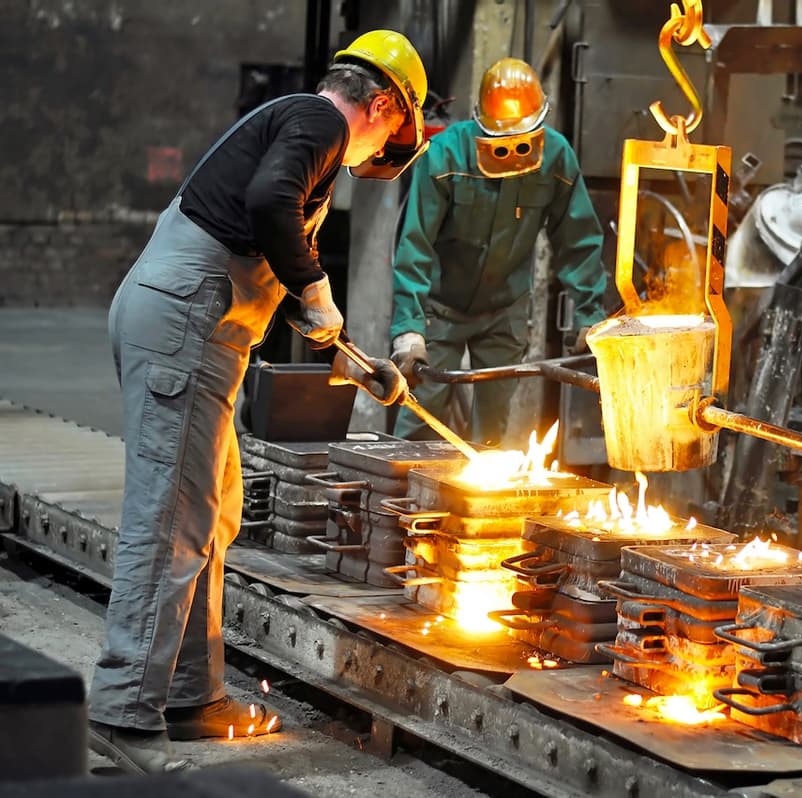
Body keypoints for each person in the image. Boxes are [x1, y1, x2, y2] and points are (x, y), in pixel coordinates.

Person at [89, 30, 428, 774]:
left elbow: (263, 228)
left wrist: (338, 340)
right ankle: (122, 713)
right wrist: (314, 289)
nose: (379, 155)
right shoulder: (321, 121)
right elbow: (270, 201)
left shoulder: (298, 125)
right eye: (392, 135)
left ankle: (191, 696)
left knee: (212, 514)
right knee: (171, 522)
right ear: (380, 105)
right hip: (185, 323)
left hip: (194, 326)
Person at [389, 57, 608, 446]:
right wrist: (409, 327)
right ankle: (398, 500)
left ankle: (476, 506)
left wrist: (590, 315)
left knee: (492, 435)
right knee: (420, 419)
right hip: (441, 310)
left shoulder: (556, 158)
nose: (513, 154)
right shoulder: (443, 155)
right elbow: (414, 243)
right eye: (500, 146)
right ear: (480, 126)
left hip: (504, 311)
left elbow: (577, 240)